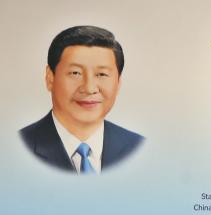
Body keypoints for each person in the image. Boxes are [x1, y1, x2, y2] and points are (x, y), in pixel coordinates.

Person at [20, 26, 143, 173]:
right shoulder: (16, 148)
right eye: (75, 73)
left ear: (118, 83)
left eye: (102, 74)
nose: (89, 88)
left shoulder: (138, 147)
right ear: (50, 78)